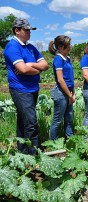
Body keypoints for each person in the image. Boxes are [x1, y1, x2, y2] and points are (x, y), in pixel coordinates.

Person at [3, 18, 48, 155]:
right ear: (17, 31)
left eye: (30, 30)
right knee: (31, 122)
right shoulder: (12, 47)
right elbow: (22, 70)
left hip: (32, 88)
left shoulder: (31, 47)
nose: (29, 33)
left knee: (23, 121)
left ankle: (22, 153)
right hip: (20, 89)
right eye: (26, 30)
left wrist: (31, 65)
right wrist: (37, 69)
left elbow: (45, 65)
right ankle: (33, 156)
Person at [48, 35, 75, 140]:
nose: (70, 47)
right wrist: (69, 95)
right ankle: (53, 143)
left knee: (69, 118)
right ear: (60, 46)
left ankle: (70, 139)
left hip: (69, 92)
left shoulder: (67, 58)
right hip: (61, 93)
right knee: (57, 120)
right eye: (68, 45)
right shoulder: (58, 59)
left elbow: (70, 78)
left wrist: (73, 93)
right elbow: (60, 80)